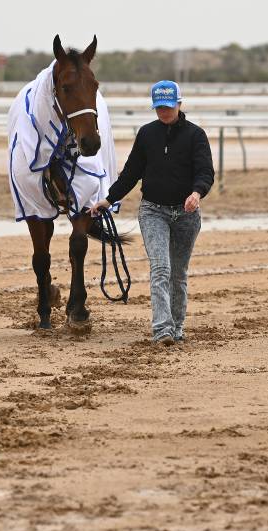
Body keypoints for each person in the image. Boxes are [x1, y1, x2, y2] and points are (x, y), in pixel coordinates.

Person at [93, 80, 214, 346]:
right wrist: (108, 199)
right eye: (159, 107)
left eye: (168, 107)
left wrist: (196, 193)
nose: (163, 112)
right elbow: (131, 173)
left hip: (186, 215)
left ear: (179, 104)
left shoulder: (196, 135)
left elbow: (205, 172)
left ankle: (177, 326)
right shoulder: (147, 134)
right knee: (161, 268)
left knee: (178, 274)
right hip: (153, 212)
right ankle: (162, 330)